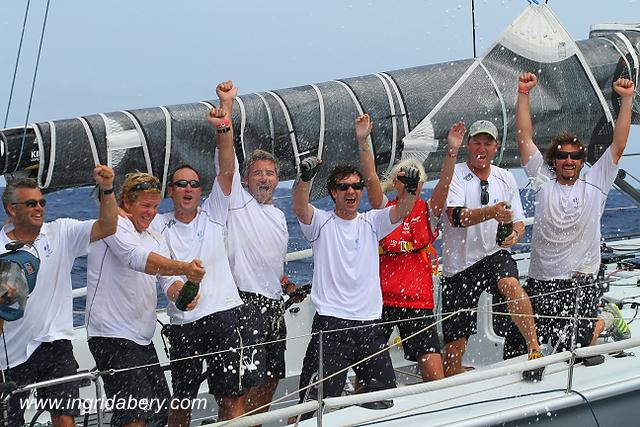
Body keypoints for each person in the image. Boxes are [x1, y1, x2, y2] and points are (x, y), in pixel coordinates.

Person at [505, 73, 635, 356]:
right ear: (554, 160)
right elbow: (524, 138)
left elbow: (619, 145)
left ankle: (607, 318)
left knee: (574, 348)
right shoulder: (543, 181)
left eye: (575, 156)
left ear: (581, 160)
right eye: (563, 156)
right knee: (517, 349)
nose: (569, 160)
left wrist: (626, 100)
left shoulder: (595, 185)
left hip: (580, 280)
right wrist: (523, 92)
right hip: (542, 280)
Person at [291, 153, 419, 417]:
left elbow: (403, 209)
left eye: (356, 186)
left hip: (370, 325)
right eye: (343, 186)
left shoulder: (372, 221)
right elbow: (300, 206)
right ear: (333, 193)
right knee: (312, 406)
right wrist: (305, 178)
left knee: (384, 394)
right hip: (332, 326)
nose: (351, 191)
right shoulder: (320, 222)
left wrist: (411, 187)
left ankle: (346, 408)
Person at [151, 87, 247, 425]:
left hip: (224, 316)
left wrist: (224, 119)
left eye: (194, 184)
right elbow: (168, 281)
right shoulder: (158, 228)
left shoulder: (215, 212)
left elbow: (227, 168)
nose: (189, 188)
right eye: (181, 184)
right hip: (184, 326)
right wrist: (180, 296)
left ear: (200, 191)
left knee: (231, 396)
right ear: (170, 191)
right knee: (181, 401)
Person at [0, 165, 117, 427]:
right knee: (11, 422)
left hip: (56, 344)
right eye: (31, 203)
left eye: (42, 202)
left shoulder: (61, 232)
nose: (39, 208)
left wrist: (107, 188)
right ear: (11, 209)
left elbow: (108, 226)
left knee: (65, 417)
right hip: (11, 355)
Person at [86, 171, 205, 427]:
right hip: (111, 336)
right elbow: (136, 259)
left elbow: (168, 284)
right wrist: (185, 267)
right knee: (135, 416)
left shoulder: (154, 236)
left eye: (154, 207)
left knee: (161, 413)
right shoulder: (113, 226)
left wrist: (184, 294)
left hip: (141, 340)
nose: (151, 213)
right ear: (126, 203)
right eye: (144, 205)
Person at [215, 81, 304, 416]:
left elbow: (273, 267)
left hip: (273, 306)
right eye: (257, 173)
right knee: (240, 384)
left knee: (271, 377)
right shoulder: (236, 203)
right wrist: (228, 109)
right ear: (245, 180)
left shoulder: (279, 216)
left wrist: (289, 286)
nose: (264, 178)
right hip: (242, 305)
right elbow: (227, 160)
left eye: (270, 173)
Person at [356, 113, 464, 381]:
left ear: (422, 184)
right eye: (404, 178)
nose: (409, 183)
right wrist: (364, 141)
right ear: (395, 183)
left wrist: (452, 151)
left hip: (417, 301)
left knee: (433, 372)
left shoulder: (428, 212)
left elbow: (445, 184)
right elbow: (370, 180)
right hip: (380, 301)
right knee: (366, 371)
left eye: (415, 179)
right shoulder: (385, 211)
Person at [441, 119, 542, 378]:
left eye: (488, 143)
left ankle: (534, 347)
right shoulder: (455, 174)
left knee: (511, 285)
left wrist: (515, 235)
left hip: (492, 254)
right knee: (455, 348)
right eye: (477, 142)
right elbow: (456, 217)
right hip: (459, 267)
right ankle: (454, 375)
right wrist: (491, 213)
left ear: (496, 147)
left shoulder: (505, 177)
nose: (482, 148)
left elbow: (518, 221)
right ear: (468, 144)